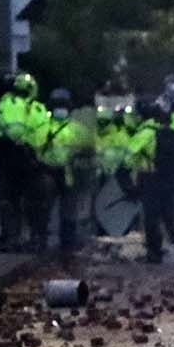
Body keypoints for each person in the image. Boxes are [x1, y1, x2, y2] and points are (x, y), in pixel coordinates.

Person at [0, 71, 48, 250]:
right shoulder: (38, 108)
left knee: (7, 197)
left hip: (8, 154)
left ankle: (12, 238)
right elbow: (40, 135)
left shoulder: (10, 102)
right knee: (28, 199)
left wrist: (17, 143)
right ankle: (32, 238)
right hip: (31, 157)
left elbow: (13, 131)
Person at [125, 99, 174, 264]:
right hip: (170, 180)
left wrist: (130, 177)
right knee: (170, 217)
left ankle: (154, 253)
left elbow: (129, 154)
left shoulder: (146, 132)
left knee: (151, 217)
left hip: (151, 179)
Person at [37, 88, 99, 256]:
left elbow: (91, 149)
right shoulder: (43, 127)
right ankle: (42, 243)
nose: (61, 108)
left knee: (69, 212)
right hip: (48, 174)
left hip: (68, 175)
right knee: (44, 210)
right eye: (58, 104)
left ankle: (67, 246)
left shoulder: (77, 129)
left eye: (63, 104)